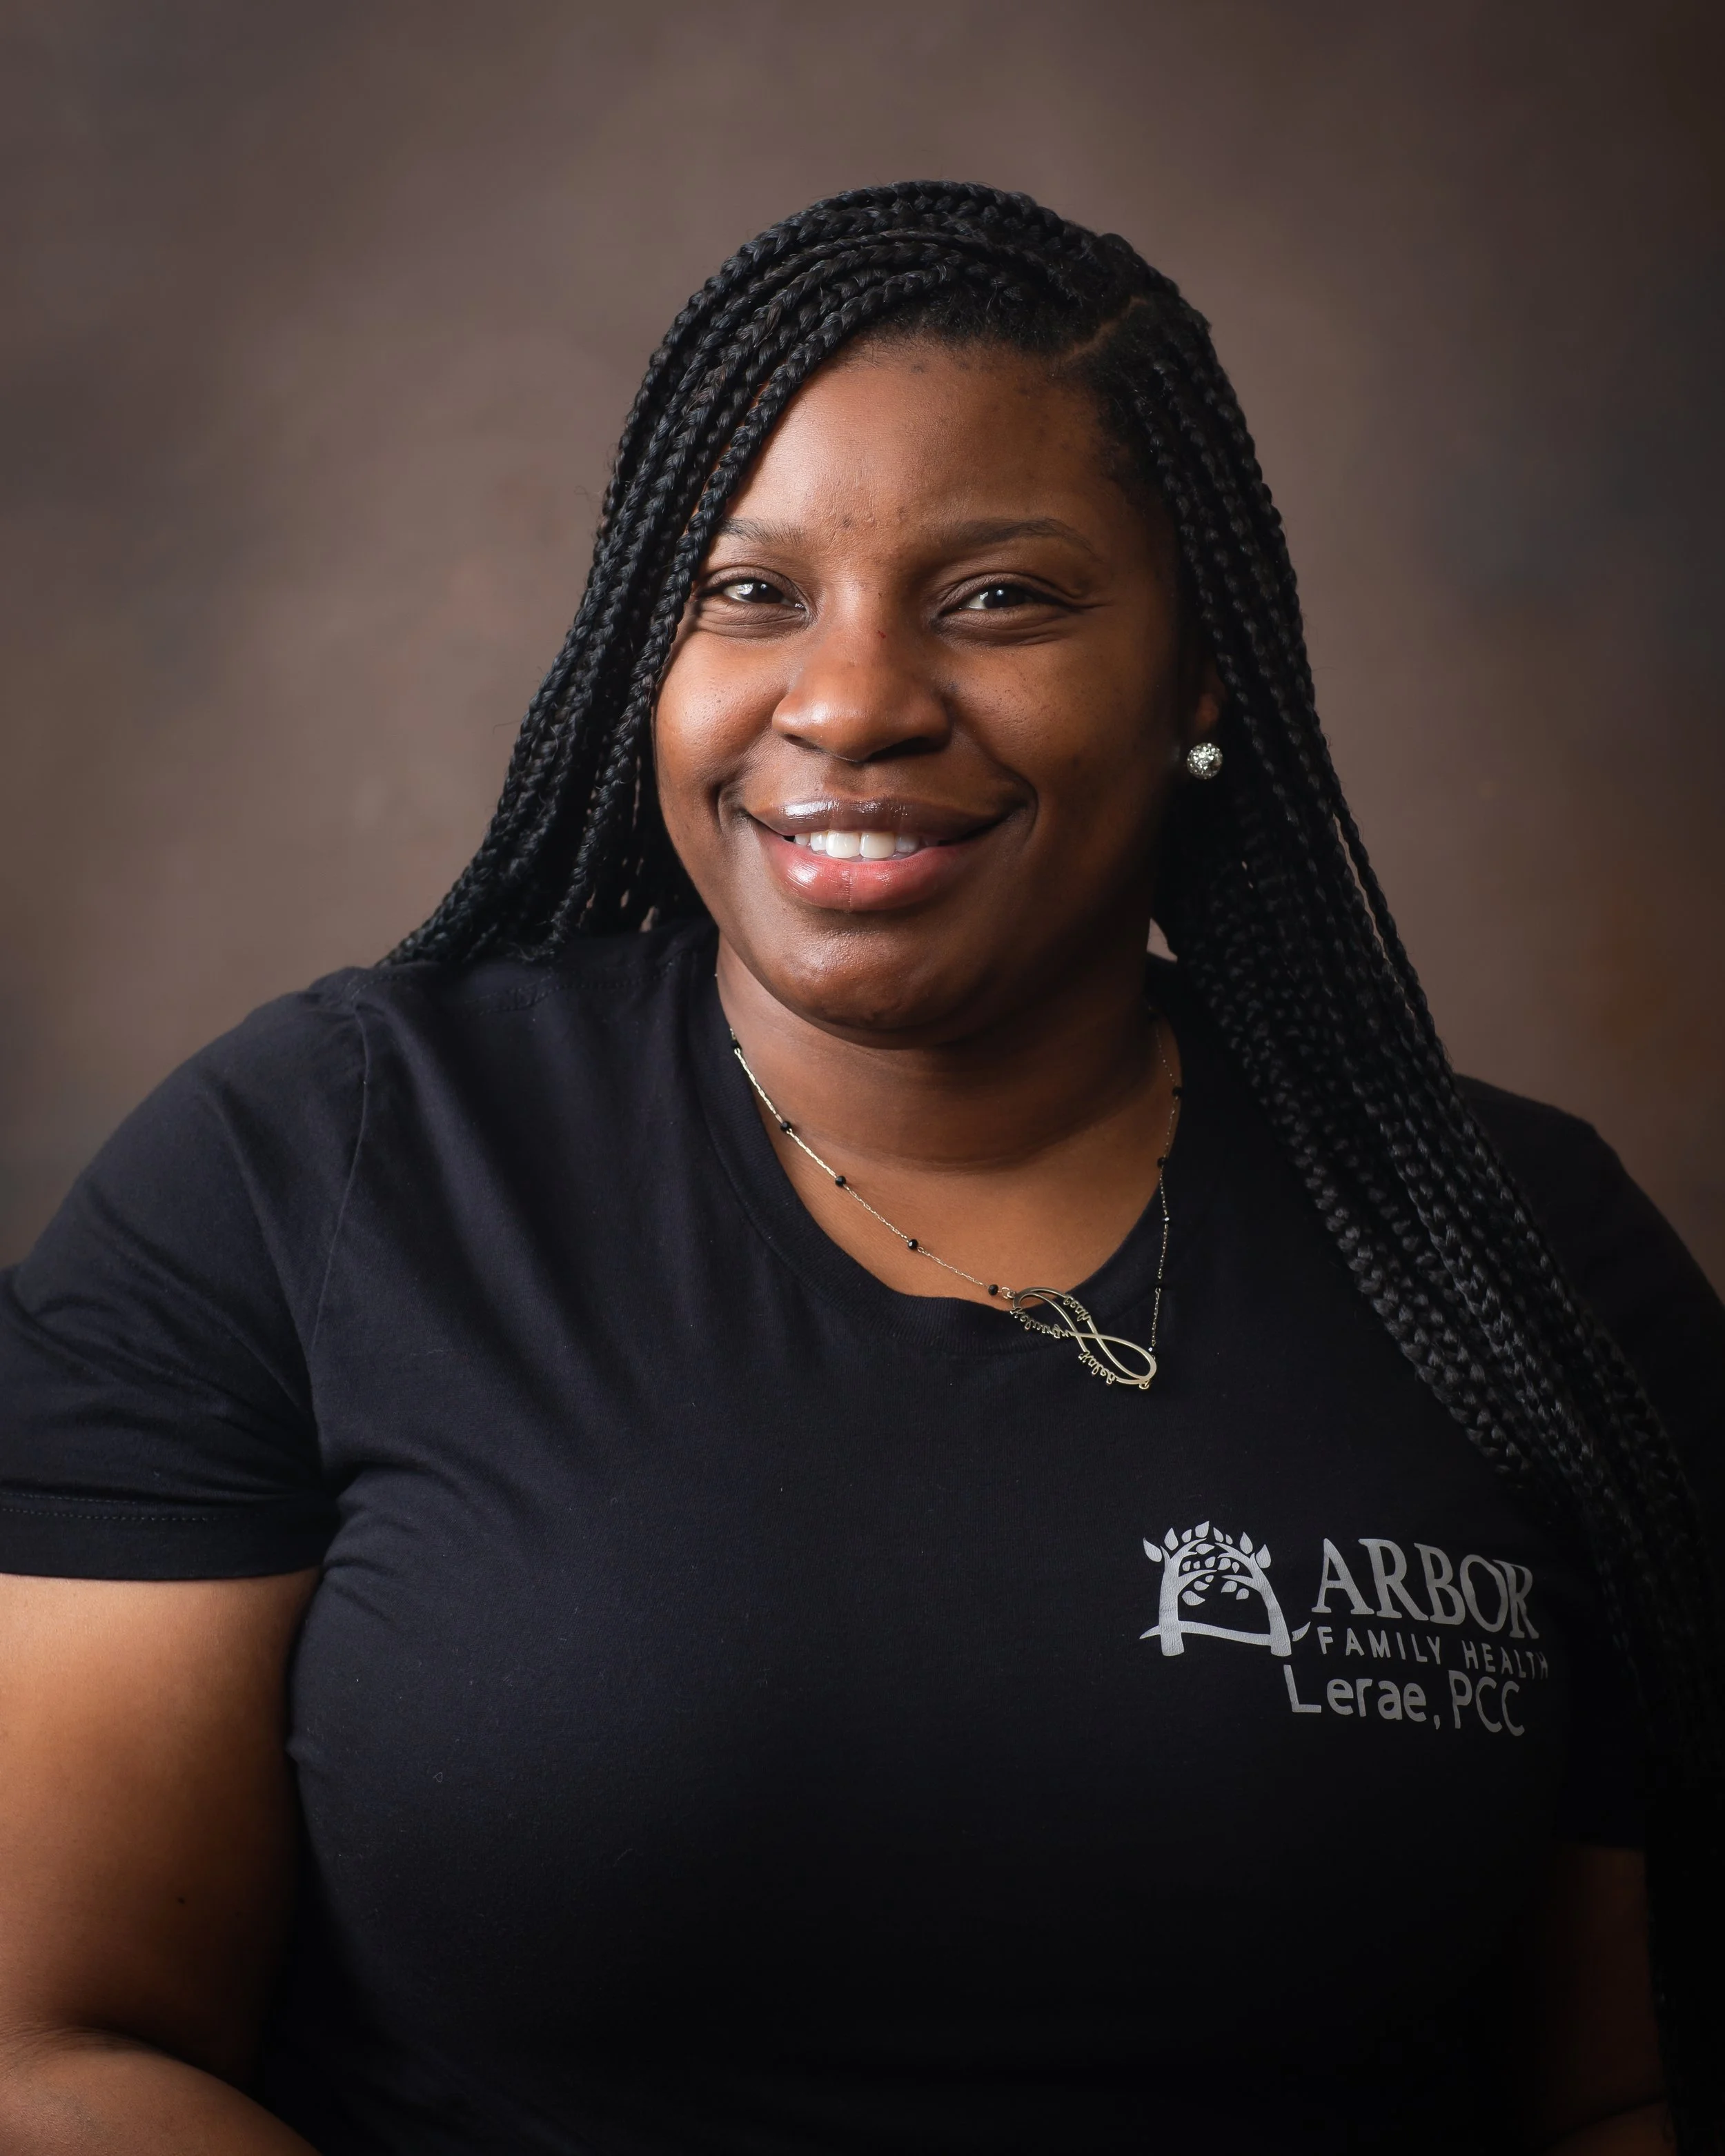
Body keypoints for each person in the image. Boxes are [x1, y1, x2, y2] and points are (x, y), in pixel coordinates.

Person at [0, 181, 1719, 2156]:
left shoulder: (1516, 1260)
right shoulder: (323, 1166)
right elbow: (53, 2044)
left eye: (998, 597)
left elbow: (1619, 2089)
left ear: (1201, 671)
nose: (849, 701)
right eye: (749, 594)